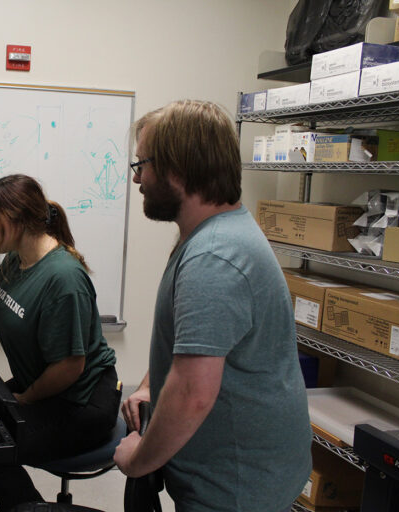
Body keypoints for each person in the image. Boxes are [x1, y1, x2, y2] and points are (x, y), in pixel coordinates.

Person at [114, 100, 312, 512]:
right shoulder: (212, 234)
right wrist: (152, 383)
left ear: (178, 170)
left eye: (142, 165)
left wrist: (138, 459)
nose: (138, 179)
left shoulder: (214, 258)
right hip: (237, 471)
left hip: (235, 487)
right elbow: (194, 338)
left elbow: (192, 395)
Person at [0, 174, 120, 511]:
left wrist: (25, 399)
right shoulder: (17, 259)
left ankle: (30, 508)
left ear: (15, 219)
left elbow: (70, 366)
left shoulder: (63, 278)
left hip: (81, 401)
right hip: (45, 386)